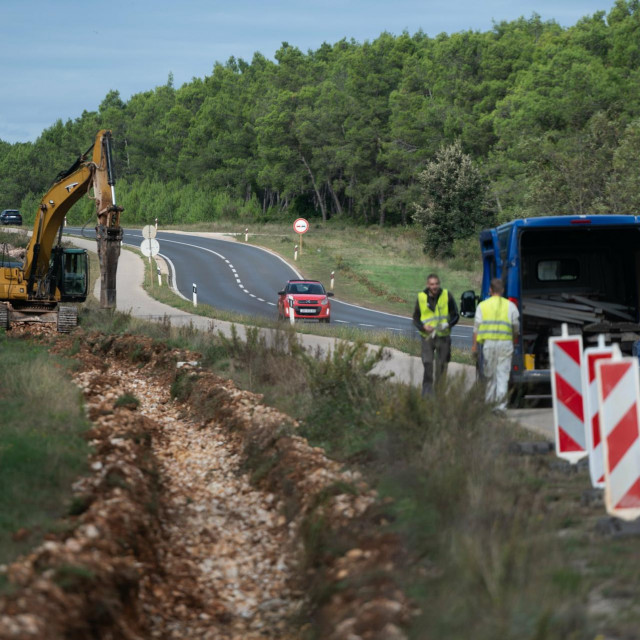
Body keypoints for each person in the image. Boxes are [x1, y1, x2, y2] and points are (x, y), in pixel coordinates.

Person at [471, 278, 520, 413]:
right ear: (503, 291)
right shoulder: (510, 306)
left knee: (490, 375)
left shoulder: (483, 306)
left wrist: (474, 347)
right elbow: (516, 327)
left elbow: (476, 328)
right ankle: (500, 407)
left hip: (489, 344)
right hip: (505, 343)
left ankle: (489, 404)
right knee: (502, 376)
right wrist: (513, 340)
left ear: (490, 290)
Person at [412, 273, 459, 396]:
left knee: (442, 365)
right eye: (432, 284)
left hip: (443, 336)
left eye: (437, 284)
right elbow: (415, 318)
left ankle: (439, 393)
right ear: (428, 285)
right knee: (427, 362)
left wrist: (448, 324)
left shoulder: (446, 295)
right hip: (427, 337)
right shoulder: (421, 297)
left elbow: (455, 315)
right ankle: (426, 393)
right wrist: (423, 327)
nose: (435, 286)